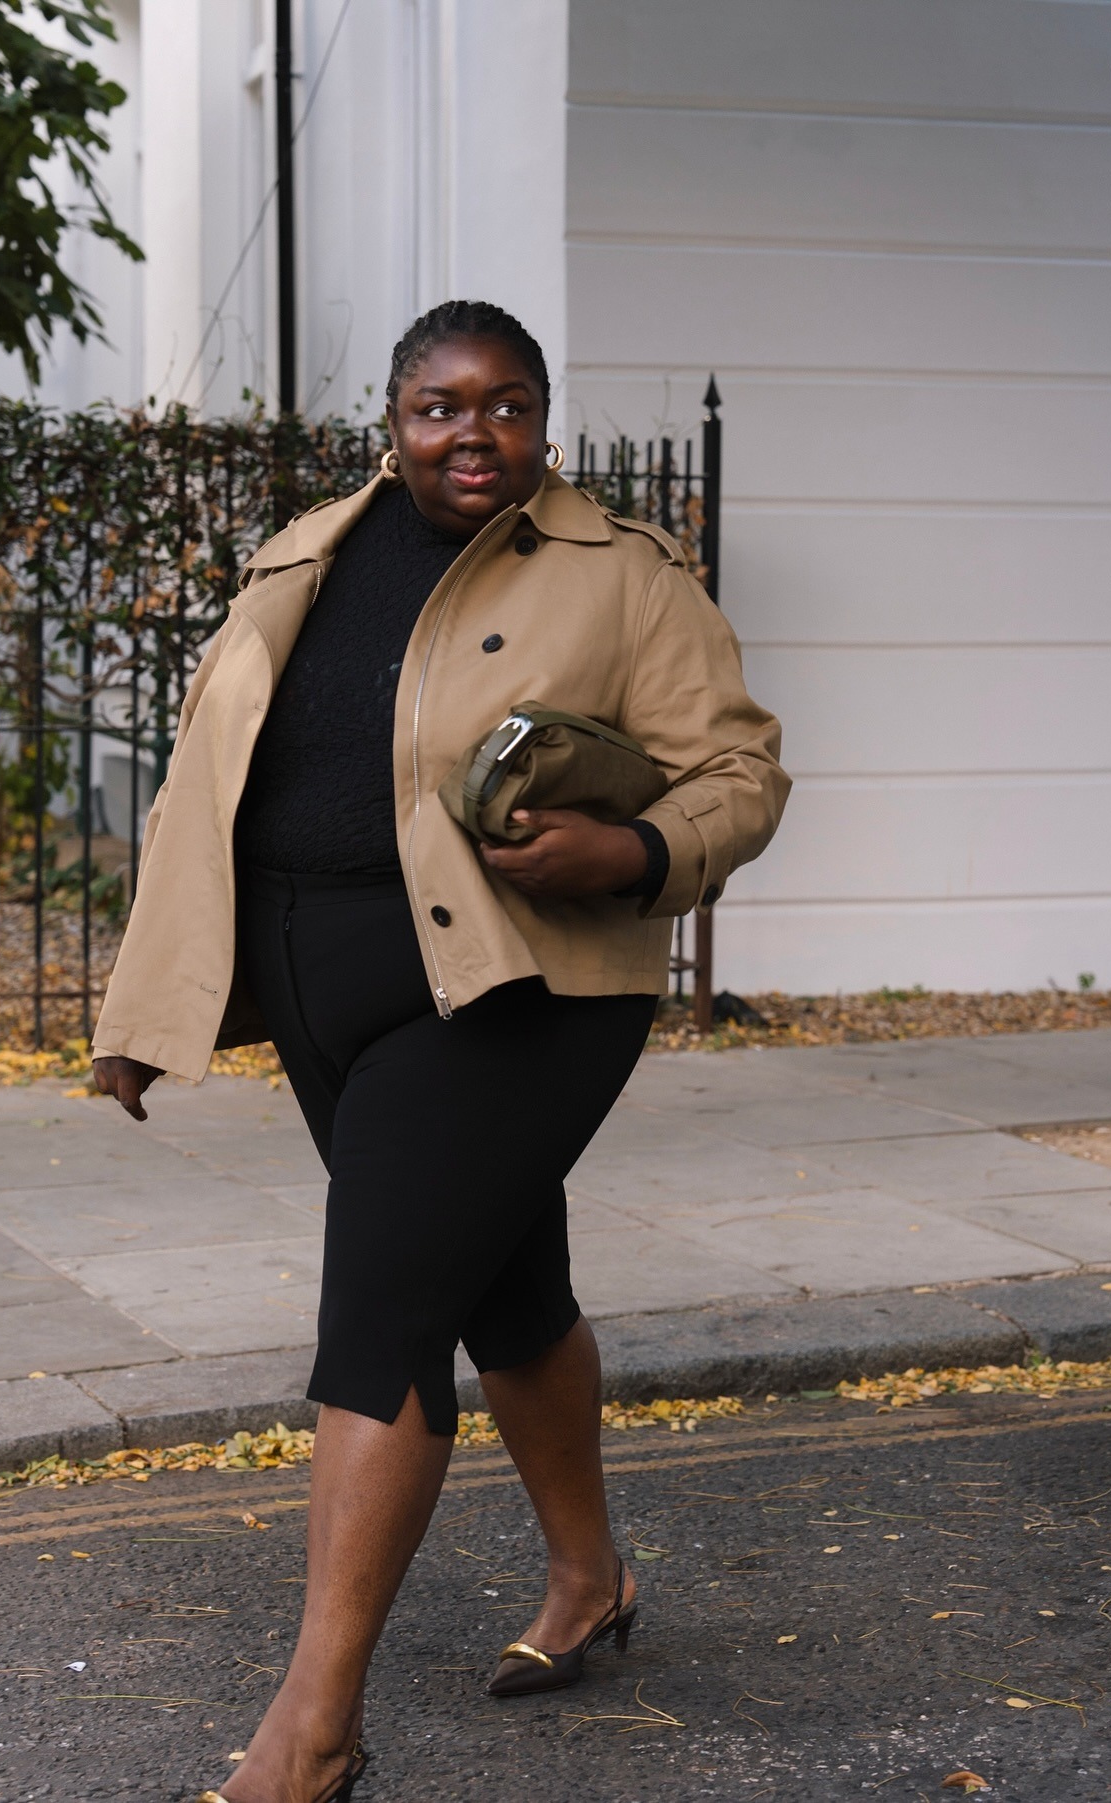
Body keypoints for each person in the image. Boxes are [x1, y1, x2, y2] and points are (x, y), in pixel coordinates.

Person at [91, 299, 789, 1803]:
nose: (477, 433)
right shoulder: (309, 551)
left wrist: (634, 846)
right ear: (392, 420)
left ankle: (311, 1735)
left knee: (385, 1315)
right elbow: (206, 779)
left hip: (516, 991)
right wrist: (151, 1009)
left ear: (546, 418)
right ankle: (589, 1577)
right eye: (441, 408)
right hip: (318, 989)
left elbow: (741, 769)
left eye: (509, 405)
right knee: (504, 1286)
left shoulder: (624, 577)